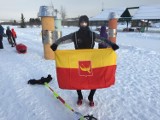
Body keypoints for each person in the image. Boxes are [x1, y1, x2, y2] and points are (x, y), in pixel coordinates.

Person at [51, 15, 119, 107]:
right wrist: (56, 44)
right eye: (82, 22)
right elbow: (64, 39)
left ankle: (91, 97)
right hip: (78, 62)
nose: (83, 24)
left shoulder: (92, 35)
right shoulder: (75, 35)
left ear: (87, 23)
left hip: (91, 61)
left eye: (85, 22)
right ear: (79, 23)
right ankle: (80, 96)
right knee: (77, 79)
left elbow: (103, 40)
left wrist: (112, 44)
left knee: (94, 79)